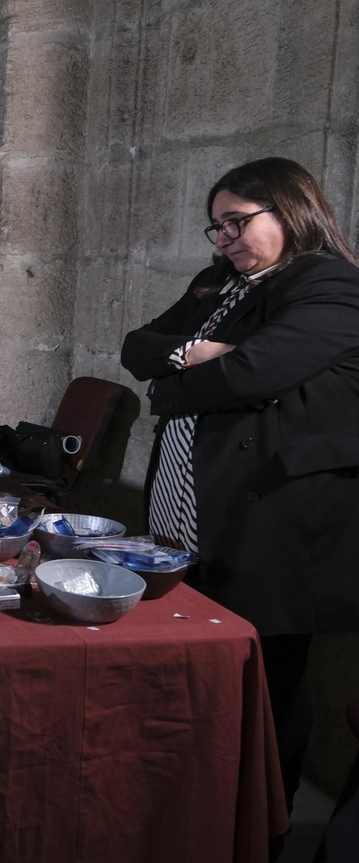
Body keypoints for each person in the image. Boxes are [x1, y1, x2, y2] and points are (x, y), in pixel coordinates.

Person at [121, 157, 359, 822]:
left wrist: (184, 376)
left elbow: (250, 374)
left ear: (291, 210)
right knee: (203, 664)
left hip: (273, 515)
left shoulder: (331, 284)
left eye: (236, 222)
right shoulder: (216, 284)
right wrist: (194, 356)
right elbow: (136, 346)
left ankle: (261, 826)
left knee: (266, 682)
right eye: (216, 227)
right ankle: (197, 805)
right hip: (193, 504)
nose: (223, 239)